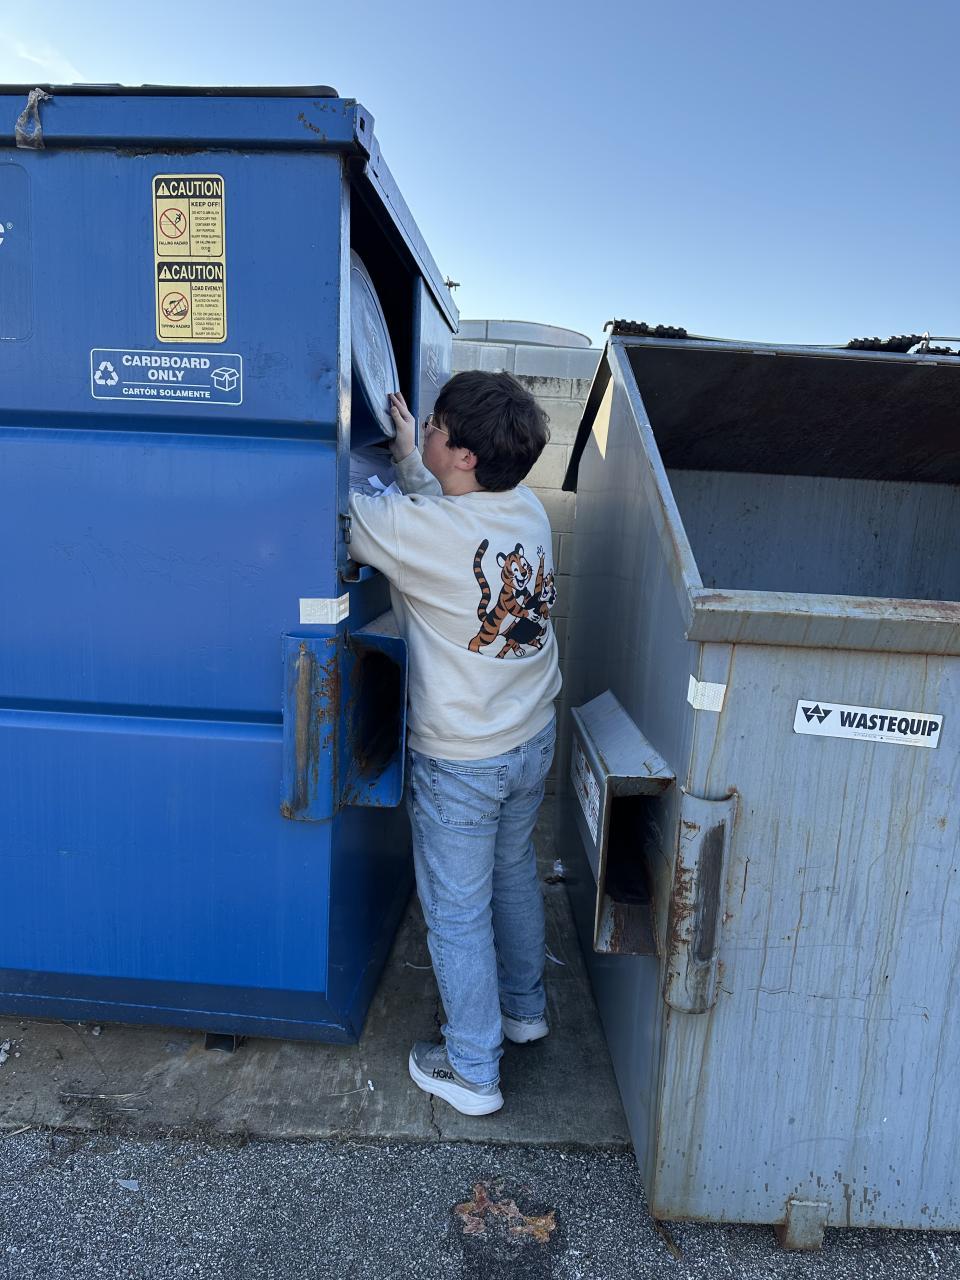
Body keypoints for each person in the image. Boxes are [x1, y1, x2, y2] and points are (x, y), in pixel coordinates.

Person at [347, 371, 562, 1116]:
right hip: (530, 736)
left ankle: (473, 1071)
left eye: (435, 426)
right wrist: (414, 456)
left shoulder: (420, 533)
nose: (427, 429)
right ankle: (524, 1011)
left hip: (464, 759)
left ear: (465, 456)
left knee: (457, 912)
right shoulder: (527, 508)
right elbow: (445, 519)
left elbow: (345, 510)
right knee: (512, 875)